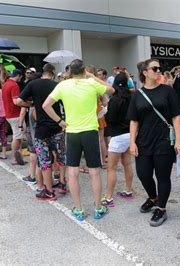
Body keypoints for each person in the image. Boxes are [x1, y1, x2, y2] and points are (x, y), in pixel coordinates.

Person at [43, 59, 115, 221]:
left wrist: (60, 122)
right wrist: (92, 76)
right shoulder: (91, 83)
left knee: (73, 172)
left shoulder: (62, 85)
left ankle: (79, 209)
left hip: (72, 132)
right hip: (90, 132)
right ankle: (98, 208)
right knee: (95, 171)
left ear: (70, 72)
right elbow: (111, 90)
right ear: (84, 71)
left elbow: (46, 105)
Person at [127, 59, 180, 227]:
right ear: (145, 72)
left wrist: (179, 140)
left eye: (159, 68)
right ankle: (153, 197)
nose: (159, 70)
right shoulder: (137, 95)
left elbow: (176, 116)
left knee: (162, 176)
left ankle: (162, 208)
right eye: (155, 68)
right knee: (143, 174)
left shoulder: (167, 91)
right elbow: (134, 121)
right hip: (143, 141)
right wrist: (132, 142)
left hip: (164, 141)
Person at [19, 63, 67, 200]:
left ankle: (49, 191)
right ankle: (62, 184)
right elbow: (65, 105)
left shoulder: (33, 84)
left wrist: (32, 104)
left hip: (41, 129)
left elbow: (18, 101)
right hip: (57, 127)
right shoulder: (57, 85)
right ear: (52, 72)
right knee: (61, 156)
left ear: (43, 72)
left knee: (45, 161)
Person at [102, 72, 134, 207]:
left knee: (112, 168)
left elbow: (111, 119)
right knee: (127, 164)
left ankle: (108, 197)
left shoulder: (115, 100)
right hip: (130, 135)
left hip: (118, 136)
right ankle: (128, 190)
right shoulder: (132, 97)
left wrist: (105, 111)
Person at [2, 69, 24, 165]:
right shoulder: (14, 85)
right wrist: (28, 104)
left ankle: (18, 156)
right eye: (20, 76)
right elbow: (16, 101)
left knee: (18, 136)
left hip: (9, 114)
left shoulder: (6, 84)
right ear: (18, 75)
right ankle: (15, 158)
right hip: (15, 114)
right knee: (17, 136)